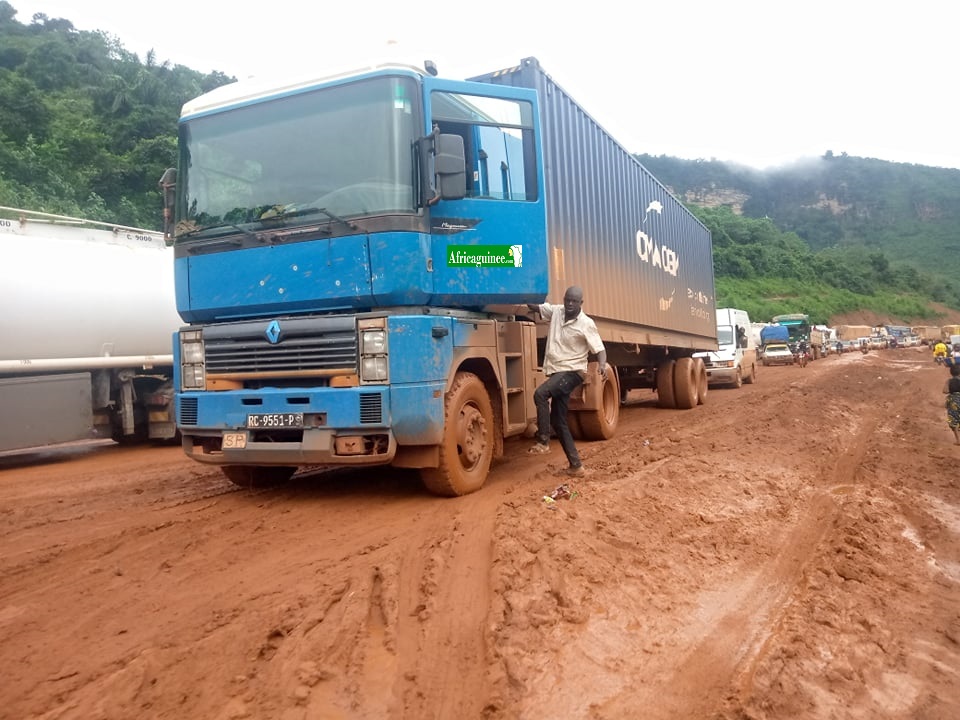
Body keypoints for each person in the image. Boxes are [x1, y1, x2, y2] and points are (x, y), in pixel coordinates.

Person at [526, 286, 607, 477]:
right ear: (564, 299)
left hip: (573, 372)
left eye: (574, 301)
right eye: (567, 300)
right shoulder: (556, 312)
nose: (570, 304)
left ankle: (543, 441)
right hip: (557, 372)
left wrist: (602, 365)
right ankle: (576, 466)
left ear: (581, 303)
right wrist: (522, 291)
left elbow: (599, 349)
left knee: (540, 394)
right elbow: (535, 306)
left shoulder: (586, 323)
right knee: (559, 421)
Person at [943, 364, 960, 445]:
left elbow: (945, 391)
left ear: (951, 373)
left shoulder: (949, 381)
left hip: (953, 401)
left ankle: (958, 440)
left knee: (953, 420)